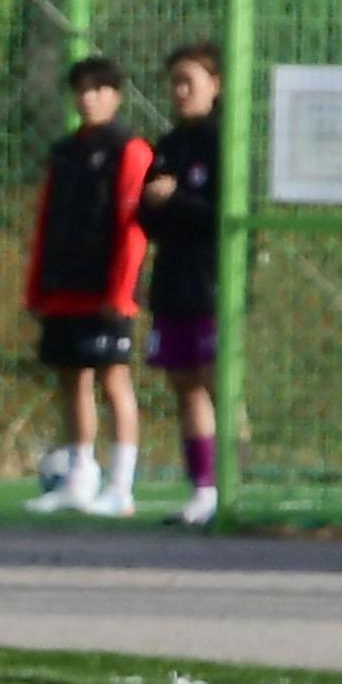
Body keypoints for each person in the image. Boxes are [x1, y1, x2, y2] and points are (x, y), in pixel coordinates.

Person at [24, 54, 152, 515]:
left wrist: (120, 292)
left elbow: (131, 227)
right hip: (65, 286)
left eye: (98, 89)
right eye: (81, 90)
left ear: (116, 96)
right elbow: (46, 222)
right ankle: (79, 477)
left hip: (106, 291)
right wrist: (37, 288)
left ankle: (121, 486)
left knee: (114, 379)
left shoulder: (130, 149)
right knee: (71, 380)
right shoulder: (65, 152)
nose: (89, 98)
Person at [140, 41, 225, 526]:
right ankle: (204, 489)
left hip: (213, 282)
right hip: (173, 281)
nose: (180, 90)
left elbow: (222, 216)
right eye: (174, 81)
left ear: (216, 85)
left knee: (217, 383)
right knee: (184, 383)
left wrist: (178, 199)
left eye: (189, 80)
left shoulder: (222, 143)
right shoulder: (169, 144)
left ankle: (234, 485)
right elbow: (150, 216)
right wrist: (152, 203)